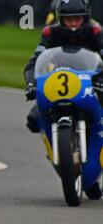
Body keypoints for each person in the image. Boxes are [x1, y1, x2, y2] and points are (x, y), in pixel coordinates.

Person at [24, 0, 103, 133]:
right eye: (69, 19)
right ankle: (51, 149)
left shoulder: (95, 31)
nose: (73, 24)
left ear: (85, 17)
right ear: (60, 19)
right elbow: (34, 61)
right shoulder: (50, 32)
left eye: (77, 19)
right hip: (58, 80)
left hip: (90, 80)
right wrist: (31, 83)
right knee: (33, 120)